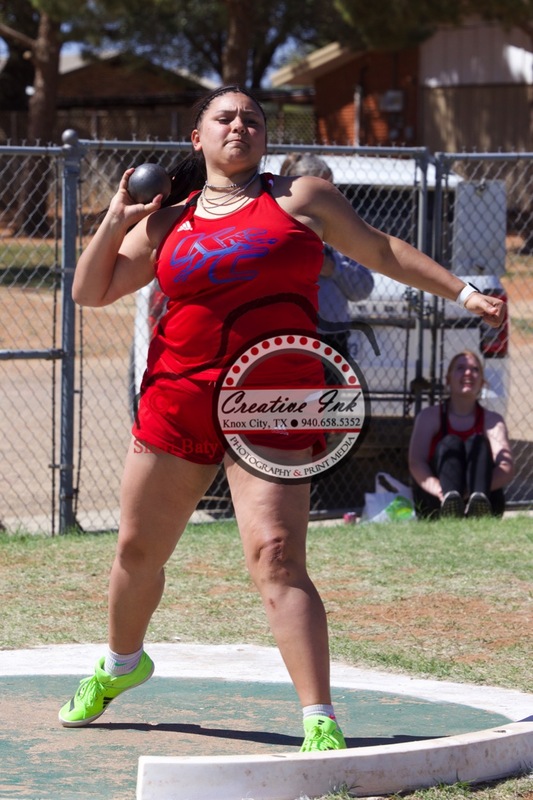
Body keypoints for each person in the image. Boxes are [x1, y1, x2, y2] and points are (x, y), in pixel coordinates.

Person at [58, 85, 506, 751]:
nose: (239, 126)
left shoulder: (301, 198)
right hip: (178, 401)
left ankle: (318, 717)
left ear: (264, 137)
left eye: (252, 119)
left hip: (274, 404)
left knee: (277, 554)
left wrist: (464, 290)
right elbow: (89, 291)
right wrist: (117, 216)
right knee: (136, 550)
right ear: (197, 138)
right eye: (224, 117)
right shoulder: (167, 220)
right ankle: (122, 664)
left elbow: (381, 251)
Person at [280, 152, 374, 360]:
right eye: (322, 189)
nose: (332, 196)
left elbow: (363, 288)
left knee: (334, 392)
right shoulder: (279, 227)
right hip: (289, 337)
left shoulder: (344, 228)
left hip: (333, 338)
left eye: (332, 187)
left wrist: (334, 269)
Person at [408, 350, 514, 519]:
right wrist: (440, 490)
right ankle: (451, 507)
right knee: (450, 443)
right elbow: (416, 462)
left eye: (475, 369)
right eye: (460, 368)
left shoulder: (493, 420)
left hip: (484, 499)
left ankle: (478, 505)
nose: (468, 373)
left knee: (477, 443)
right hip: (438, 501)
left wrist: (473, 491)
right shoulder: (428, 417)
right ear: (448, 379)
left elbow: (505, 467)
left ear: (482, 382)